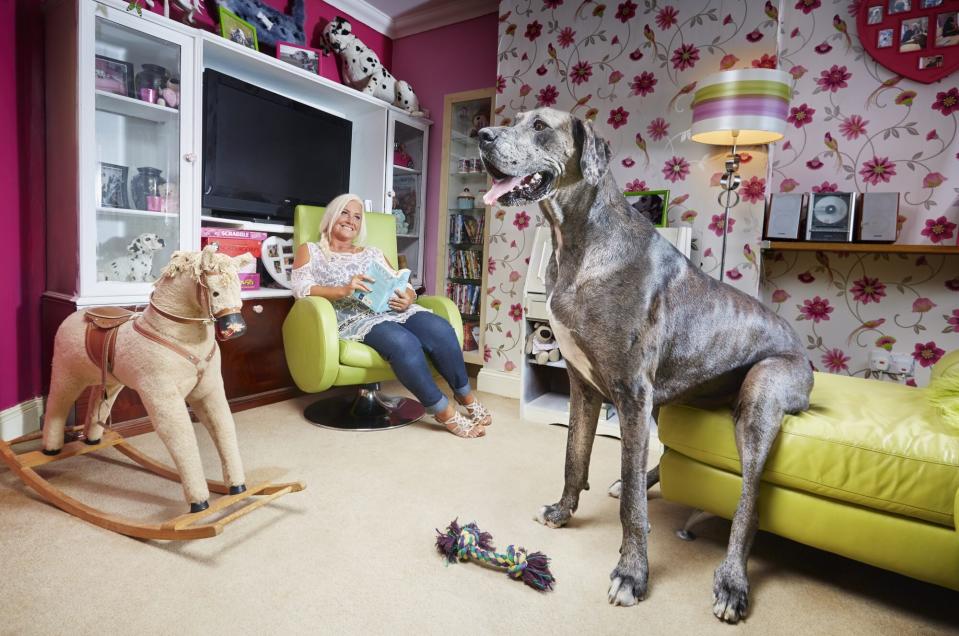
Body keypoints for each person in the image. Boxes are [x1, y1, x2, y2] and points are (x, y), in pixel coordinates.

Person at [291, 194, 491, 438]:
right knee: (404, 343)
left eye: (357, 216)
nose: (351, 220)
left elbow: (401, 282)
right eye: (345, 213)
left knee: (441, 329)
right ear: (332, 216)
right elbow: (302, 290)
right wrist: (343, 290)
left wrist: (409, 296)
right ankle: (443, 411)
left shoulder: (372, 253)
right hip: (356, 318)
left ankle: (465, 396)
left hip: (394, 308)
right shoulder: (310, 251)